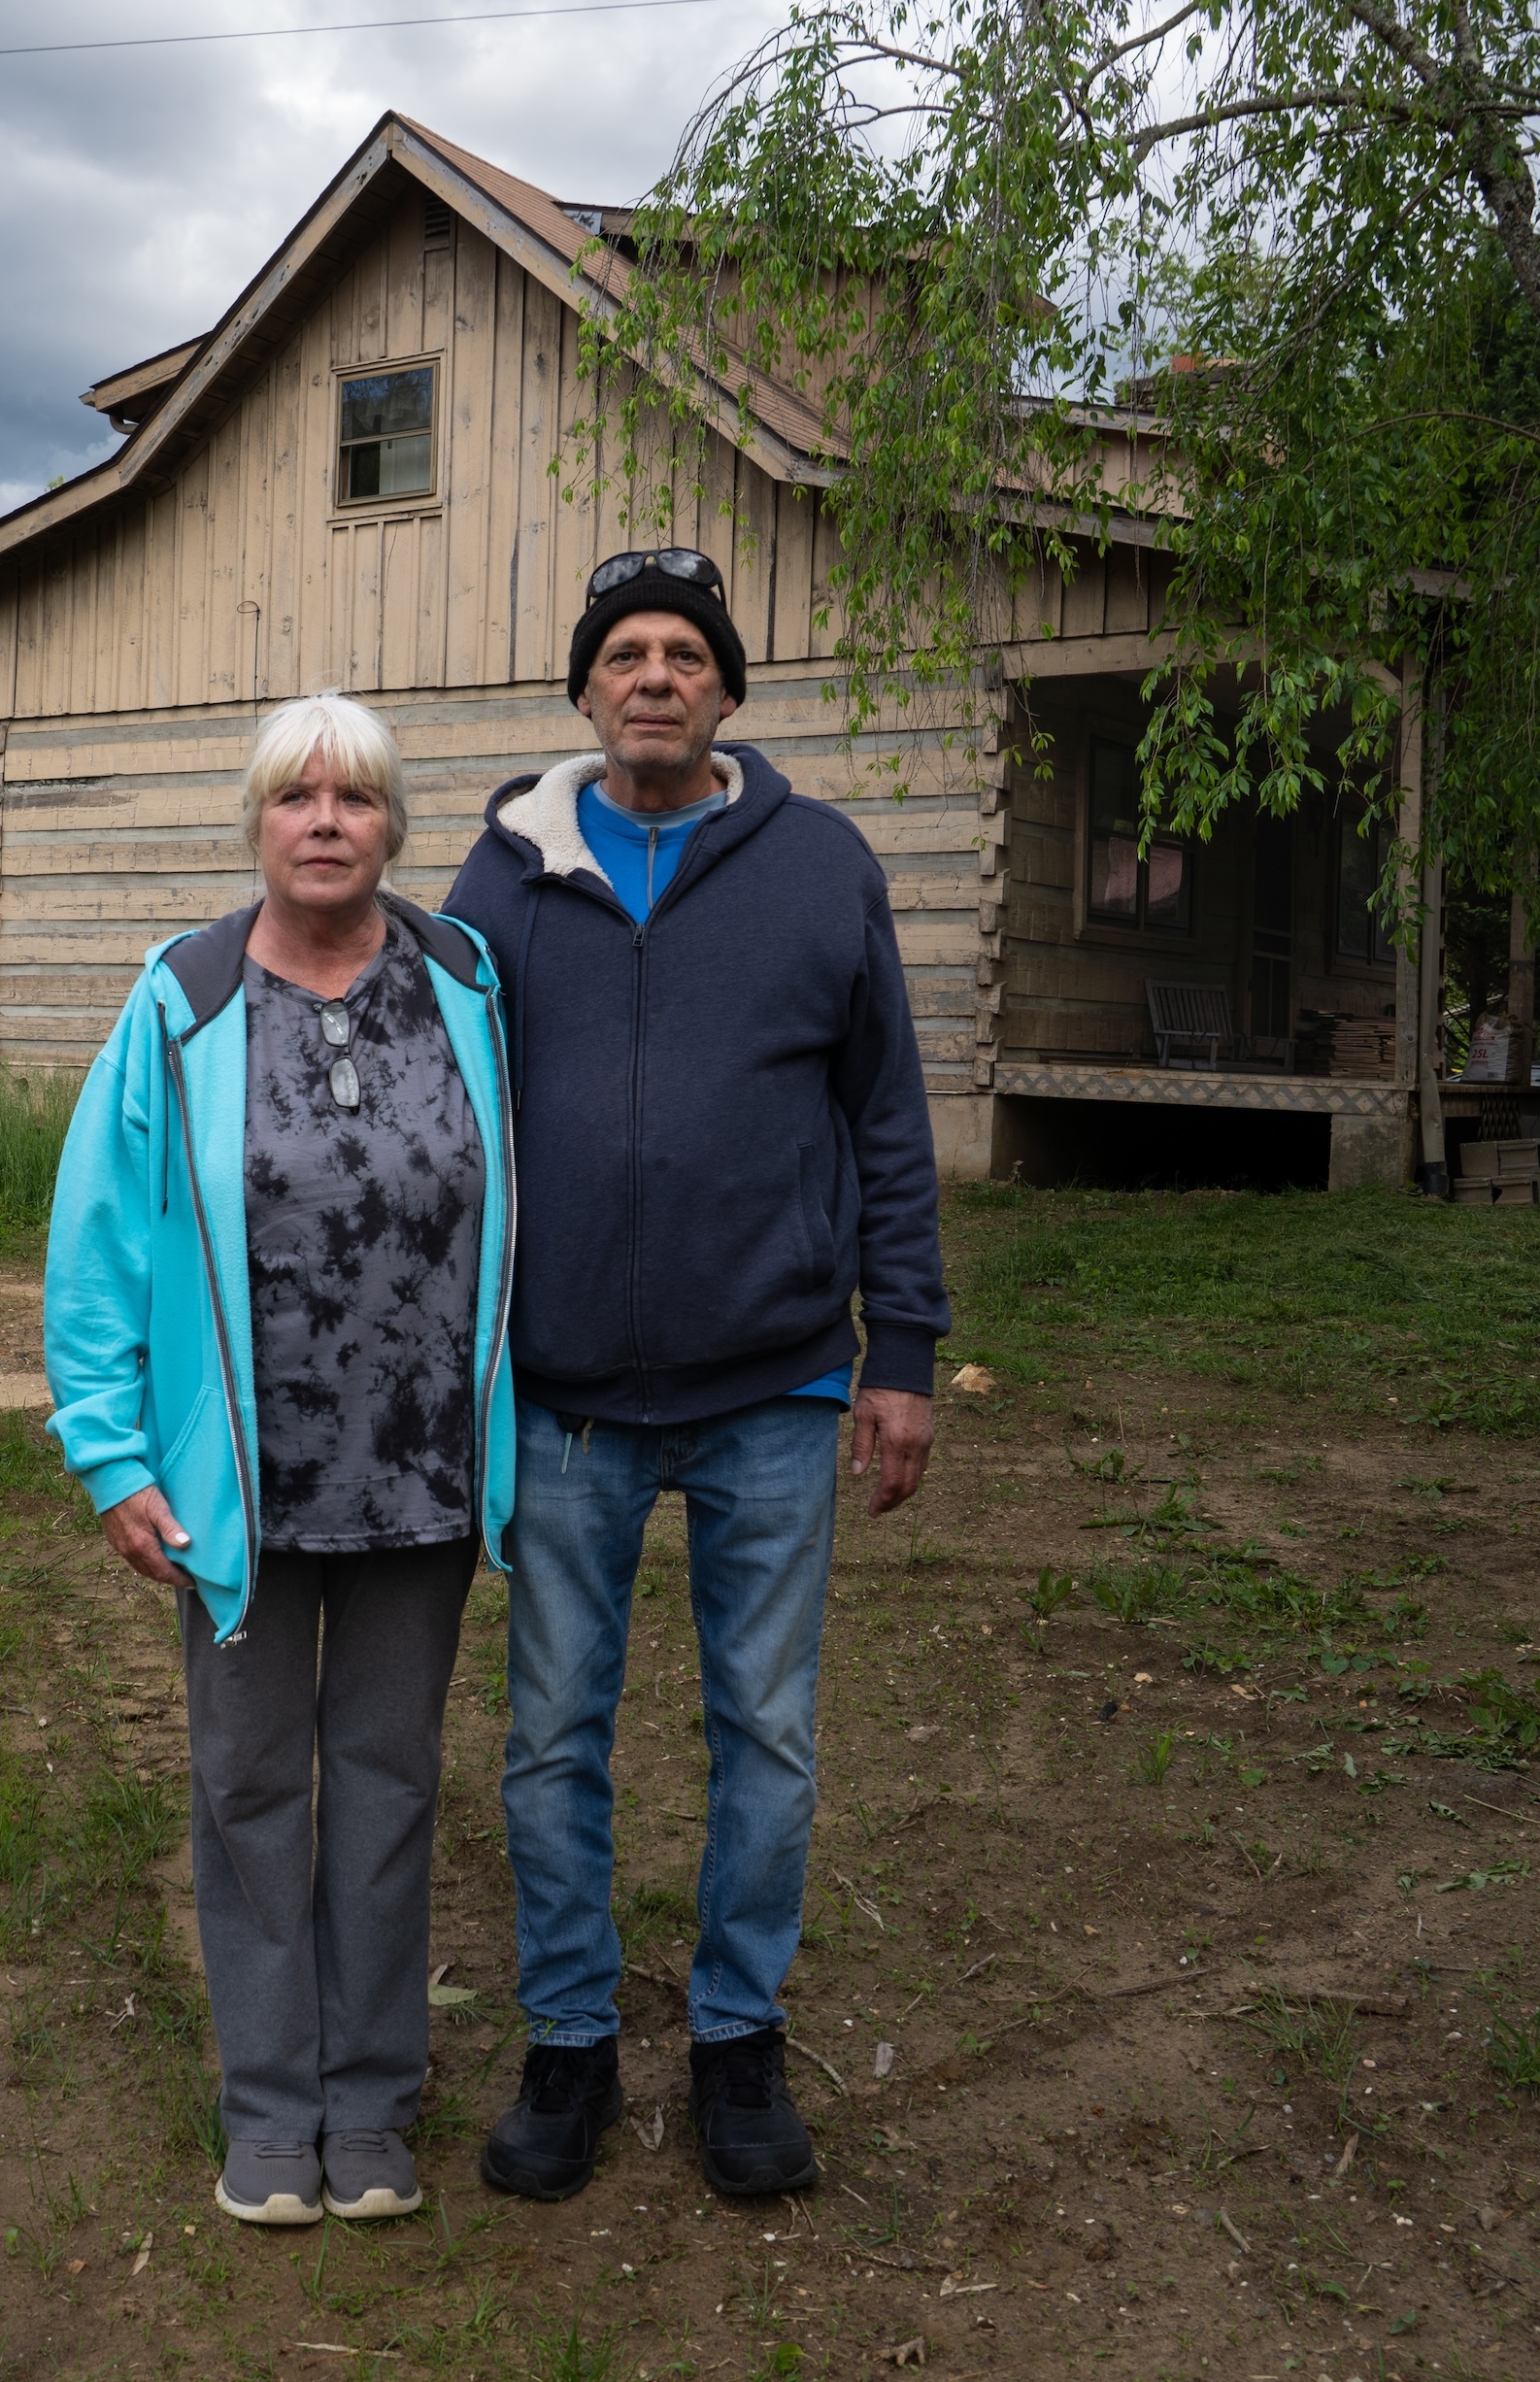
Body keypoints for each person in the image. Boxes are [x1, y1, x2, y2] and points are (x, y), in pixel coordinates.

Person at [441, 547, 951, 2202]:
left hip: (776, 1389)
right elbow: (442, 1116)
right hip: (568, 1395)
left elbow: (885, 1118)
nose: (653, 677)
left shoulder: (821, 868)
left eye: (685, 654)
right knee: (549, 1741)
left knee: (769, 1734)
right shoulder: (503, 877)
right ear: (584, 693)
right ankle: (570, 2045)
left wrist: (906, 1354)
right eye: (624, 655)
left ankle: (739, 2044)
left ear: (729, 691)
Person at [43, 690, 519, 2231]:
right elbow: (99, 1240)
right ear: (255, 824)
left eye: (358, 797)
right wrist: (113, 1457)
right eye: (296, 796)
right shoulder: (178, 994)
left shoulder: (464, 977)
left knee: (385, 1786)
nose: (327, 821)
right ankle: (268, 2108)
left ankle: (373, 2103)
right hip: (244, 1480)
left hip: (422, 1473)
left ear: (393, 828)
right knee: (251, 1785)